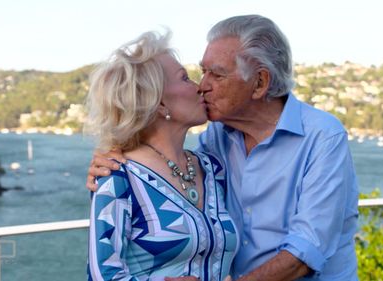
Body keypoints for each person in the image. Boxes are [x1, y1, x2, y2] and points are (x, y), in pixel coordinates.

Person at [88, 15, 359, 281]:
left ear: (260, 83)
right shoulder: (215, 140)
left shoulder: (322, 137)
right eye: (199, 73)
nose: (202, 86)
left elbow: (306, 251)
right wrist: (111, 162)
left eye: (216, 74)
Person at [84, 30, 238, 281]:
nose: (199, 87)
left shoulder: (213, 169)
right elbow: (101, 275)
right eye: (185, 78)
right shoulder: (118, 178)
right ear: (159, 104)